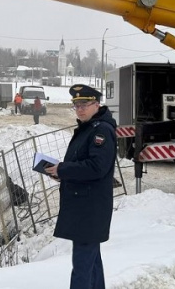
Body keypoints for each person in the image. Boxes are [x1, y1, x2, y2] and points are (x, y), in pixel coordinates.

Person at [44, 84, 116, 289]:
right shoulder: (89, 128)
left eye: (85, 104)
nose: (80, 109)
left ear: (97, 104)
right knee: (91, 263)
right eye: (76, 105)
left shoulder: (101, 130)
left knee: (82, 267)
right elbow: (83, 165)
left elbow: (96, 167)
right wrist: (61, 173)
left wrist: (64, 170)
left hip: (90, 209)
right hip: (85, 207)